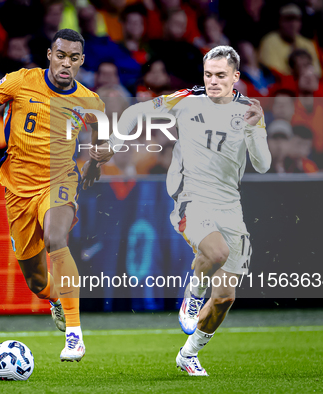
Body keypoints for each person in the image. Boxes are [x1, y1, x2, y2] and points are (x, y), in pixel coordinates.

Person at [0, 29, 110, 362]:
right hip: (17, 191)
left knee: (57, 239)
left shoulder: (90, 101)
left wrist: (96, 164)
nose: (66, 63)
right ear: (49, 54)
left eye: (74, 57)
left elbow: (102, 144)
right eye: (60, 55)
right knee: (36, 281)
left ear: (81, 61)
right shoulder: (19, 81)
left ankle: (74, 334)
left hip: (59, 181)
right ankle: (56, 299)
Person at [102, 45, 271, 375]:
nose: (213, 81)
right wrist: (113, 143)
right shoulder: (187, 100)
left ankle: (188, 354)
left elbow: (263, 165)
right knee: (217, 253)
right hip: (189, 196)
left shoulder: (249, 110)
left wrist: (255, 127)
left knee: (224, 297)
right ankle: (193, 295)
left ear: (236, 77)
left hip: (229, 205)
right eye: (208, 75)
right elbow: (137, 113)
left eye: (221, 75)